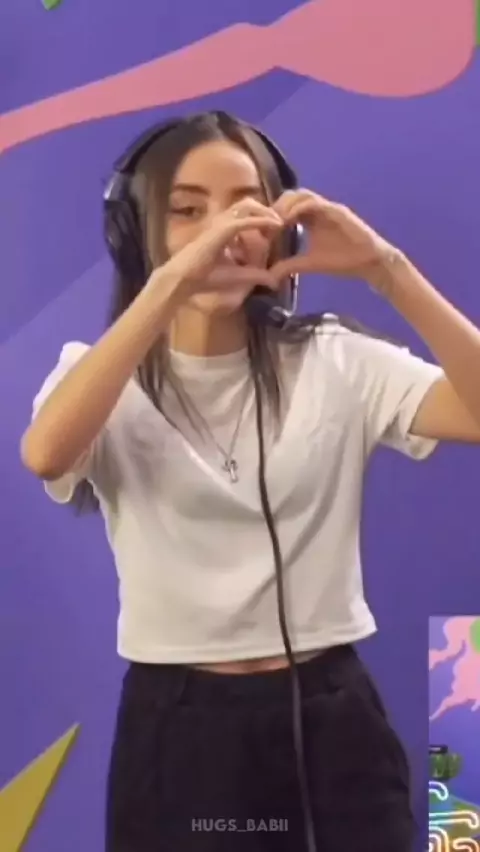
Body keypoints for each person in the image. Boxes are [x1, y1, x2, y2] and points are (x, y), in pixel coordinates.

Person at [21, 110, 480, 852]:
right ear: (137, 234)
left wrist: (387, 270)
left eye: (246, 208)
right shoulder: (99, 376)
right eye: (187, 210)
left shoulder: (335, 359)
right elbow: (46, 454)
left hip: (334, 716)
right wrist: (169, 284)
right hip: (181, 730)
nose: (223, 232)